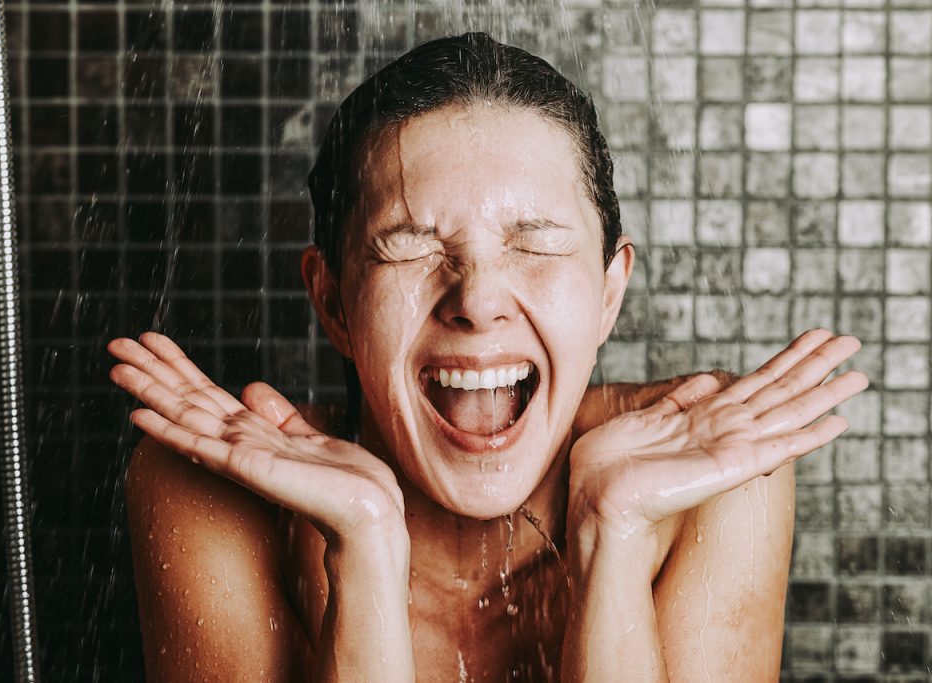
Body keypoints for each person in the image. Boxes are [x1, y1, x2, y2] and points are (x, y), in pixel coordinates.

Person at [108, 33, 868, 681]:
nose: (477, 297)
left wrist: (616, 534)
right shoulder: (217, 488)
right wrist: (365, 549)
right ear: (335, 302)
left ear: (609, 293)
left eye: (534, 244)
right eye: (411, 248)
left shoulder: (718, 470)